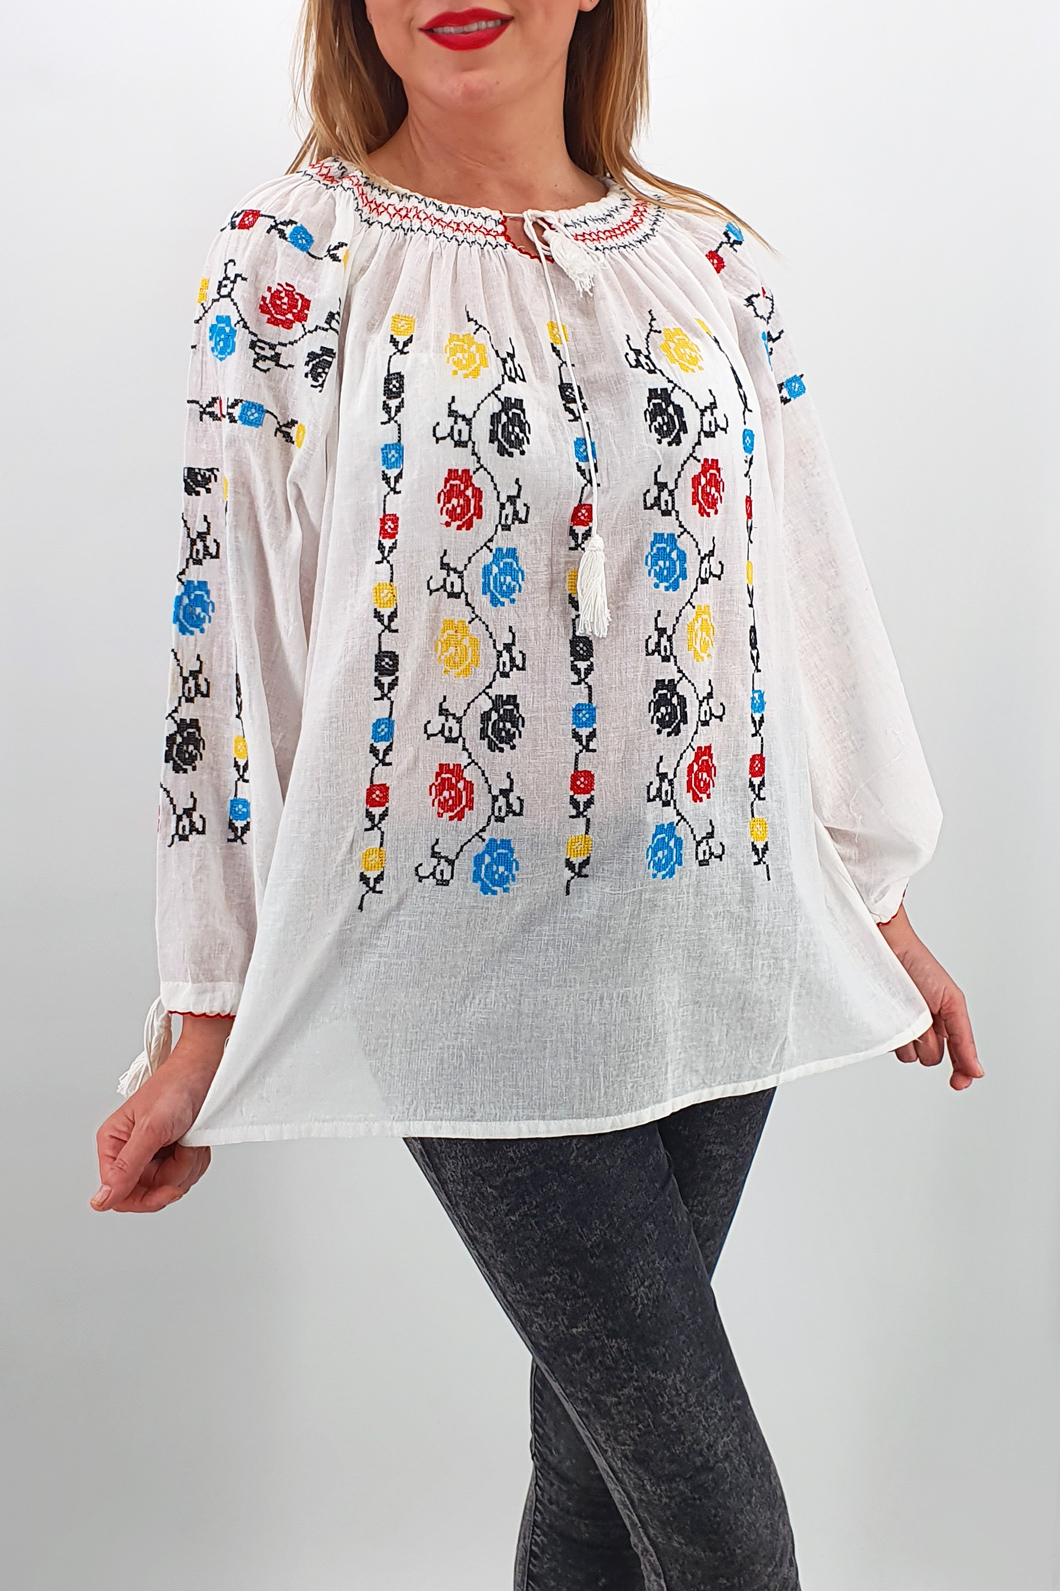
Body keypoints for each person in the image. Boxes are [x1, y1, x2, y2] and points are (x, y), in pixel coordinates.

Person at [92, 1, 982, 1584]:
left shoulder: (710, 264)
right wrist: (205, 1007)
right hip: (452, 954)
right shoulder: (293, 261)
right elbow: (225, 637)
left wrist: (878, 896)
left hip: (715, 928)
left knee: (591, 1484)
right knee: (722, 1526)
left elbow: (805, 585)